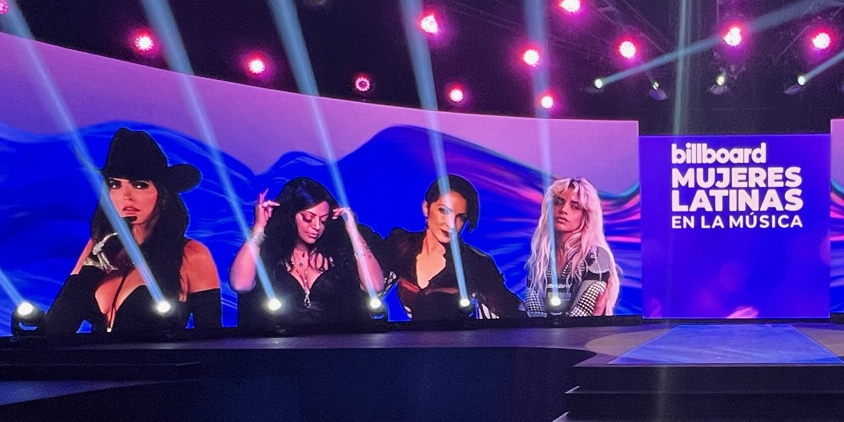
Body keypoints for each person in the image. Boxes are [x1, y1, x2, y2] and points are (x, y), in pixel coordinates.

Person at [44, 127, 221, 337]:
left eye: (139, 185)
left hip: (157, 367)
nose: (125, 196)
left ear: (162, 195)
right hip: (95, 367)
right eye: (115, 184)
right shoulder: (98, 247)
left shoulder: (192, 254)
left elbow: (210, 338)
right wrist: (92, 267)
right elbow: (56, 328)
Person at [230, 175, 386, 330]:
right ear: (291, 216)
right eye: (308, 218)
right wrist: (258, 228)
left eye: (323, 220)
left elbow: (375, 286)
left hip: (339, 346)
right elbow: (240, 284)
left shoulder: (339, 250)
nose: (317, 226)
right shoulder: (270, 251)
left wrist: (352, 231)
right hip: (281, 348)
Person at [375, 174, 523, 320]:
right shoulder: (402, 244)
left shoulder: (474, 262)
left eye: (461, 217)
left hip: (459, 342)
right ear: (426, 208)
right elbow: (370, 286)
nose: (451, 224)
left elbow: (509, 313)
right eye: (443, 211)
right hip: (405, 341)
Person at [524, 176, 620, 317]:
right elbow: (533, 313)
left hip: (586, 337)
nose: (563, 210)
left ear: (586, 215)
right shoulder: (539, 260)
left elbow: (583, 314)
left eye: (575, 207)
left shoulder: (597, 257)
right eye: (558, 202)